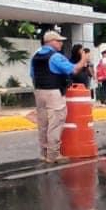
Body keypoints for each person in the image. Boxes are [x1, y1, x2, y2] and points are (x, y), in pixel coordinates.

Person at [32, 31, 89, 163]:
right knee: (55, 123)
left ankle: (44, 153)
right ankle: (53, 155)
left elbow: (32, 74)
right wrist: (83, 60)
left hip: (39, 92)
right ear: (51, 42)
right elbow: (73, 70)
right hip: (54, 93)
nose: (61, 43)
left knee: (43, 124)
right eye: (58, 41)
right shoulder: (56, 57)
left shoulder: (36, 56)